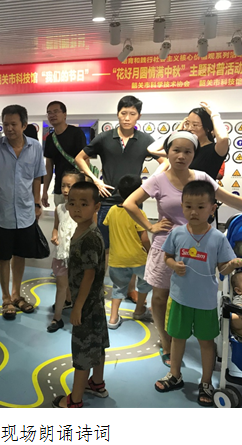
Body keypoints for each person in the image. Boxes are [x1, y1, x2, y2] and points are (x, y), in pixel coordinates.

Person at [123, 131, 242, 368]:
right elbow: (129, 203)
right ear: (168, 152)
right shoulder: (158, 179)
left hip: (199, 248)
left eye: (187, 151)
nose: (181, 156)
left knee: (193, 295)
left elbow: (231, 199)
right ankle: (166, 343)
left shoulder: (202, 178)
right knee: (160, 297)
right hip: (167, 246)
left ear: (194, 154)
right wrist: (150, 226)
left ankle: (188, 337)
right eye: (176, 150)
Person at [156, 180, 242, 406]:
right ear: (182, 206)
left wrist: (232, 265)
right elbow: (167, 256)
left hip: (205, 302)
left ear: (212, 208)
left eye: (200, 207)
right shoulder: (177, 233)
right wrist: (173, 265)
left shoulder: (218, 238)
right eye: (188, 206)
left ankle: (206, 382)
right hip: (180, 298)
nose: (193, 212)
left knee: (206, 342)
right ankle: (174, 375)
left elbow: (223, 270)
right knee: (178, 339)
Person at [74, 95, 159, 303]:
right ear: (118, 114)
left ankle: (130, 289)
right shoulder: (105, 138)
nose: (127, 118)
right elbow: (79, 158)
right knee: (102, 247)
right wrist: (95, 180)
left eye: (132, 114)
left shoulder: (146, 140)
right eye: (123, 113)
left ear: (138, 116)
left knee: (132, 247)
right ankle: (98, 286)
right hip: (107, 200)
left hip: (133, 203)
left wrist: (149, 183)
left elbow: (166, 161)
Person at [0, 105, 47, 320]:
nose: (9, 128)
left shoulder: (35, 147)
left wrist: (37, 203)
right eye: (5, 124)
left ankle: (17, 295)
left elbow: (37, 177)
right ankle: (6, 298)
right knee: (3, 257)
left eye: (13, 124)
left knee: (20, 255)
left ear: (24, 125)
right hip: (2, 213)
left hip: (26, 213)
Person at [52, 181, 109, 408]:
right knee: (97, 344)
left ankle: (74, 401)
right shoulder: (82, 230)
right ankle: (97, 383)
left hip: (86, 305)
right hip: (93, 303)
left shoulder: (89, 237)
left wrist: (77, 308)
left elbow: (89, 275)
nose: (77, 208)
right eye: (72, 203)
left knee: (83, 352)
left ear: (96, 206)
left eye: (84, 204)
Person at [103, 174, 152, 329]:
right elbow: (144, 238)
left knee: (118, 288)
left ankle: (113, 318)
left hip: (117, 259)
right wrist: (150, 252)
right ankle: (139, 310)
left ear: (118, 191)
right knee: (145, 283)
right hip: (139, 259)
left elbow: (108, 226)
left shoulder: (112, 210)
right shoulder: (139, 214)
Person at [148, 102, 229, 180]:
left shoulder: (214, 150)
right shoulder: (187, 149)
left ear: (207, 128)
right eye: (187, 123)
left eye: (195, 125)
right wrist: (177, 130)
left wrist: (214, 114)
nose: (189, 128)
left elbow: (223, 138)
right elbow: (152, 149)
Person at [48, 170, 84, 333]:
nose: (65, 190)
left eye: (70, 186)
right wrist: (54, 235)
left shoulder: (85, 210)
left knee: (79, 286)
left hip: (79, 255)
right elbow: (56, 227)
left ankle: (78, 312)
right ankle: (57, 318)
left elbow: (91, 230)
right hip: (62, 254)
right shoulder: (59, 208)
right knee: (61, 286)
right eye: (63, 186)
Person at [42, 101, 87, 208]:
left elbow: (85, 160)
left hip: (76, 187)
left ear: (64, 114)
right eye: (49, 113)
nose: (52, 115)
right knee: (61, 216)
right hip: (60, 188)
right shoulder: (50, 139)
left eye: (56, 111)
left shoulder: (76, 133)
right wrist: (44, 191)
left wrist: (85, 186)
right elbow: (48, 167)